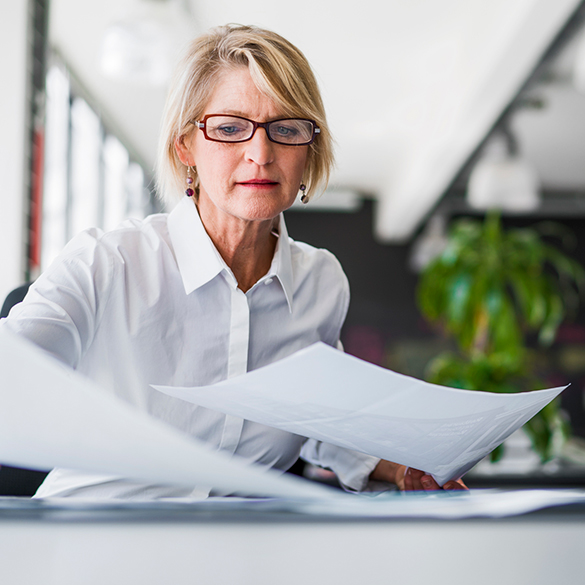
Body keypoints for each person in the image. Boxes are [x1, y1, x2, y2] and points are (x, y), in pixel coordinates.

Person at [1, 24, 464, 497]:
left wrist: (399, 466)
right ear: (186, 147)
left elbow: (313, 415)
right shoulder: (107, 263)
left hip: (240, 546)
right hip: (95, 543)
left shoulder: (319, 283)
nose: (261, 155)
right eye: (229, 128)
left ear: (309, 149)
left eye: (286, 129)